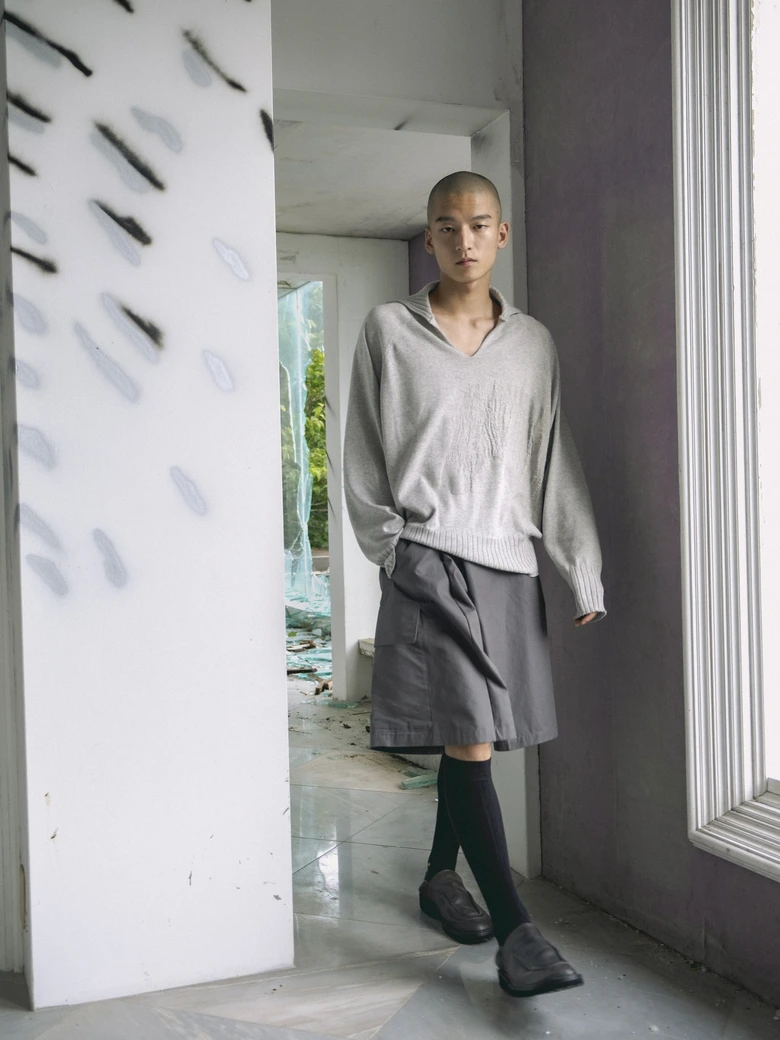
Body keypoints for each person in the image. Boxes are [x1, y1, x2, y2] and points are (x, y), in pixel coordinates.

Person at [342, 170, 606, 999]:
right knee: (472, 740)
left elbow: (551, 459)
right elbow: (362, 455)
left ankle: (436, 878)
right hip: (428, 558)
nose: (464, 240)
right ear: (429, 237)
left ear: (501, 234)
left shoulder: (533, 344)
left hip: (510, 564)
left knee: (475, 733)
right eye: (447, 227)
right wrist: (394, 552)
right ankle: (519, 937)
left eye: (479, 224)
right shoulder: (389, 330)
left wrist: (579, 565)